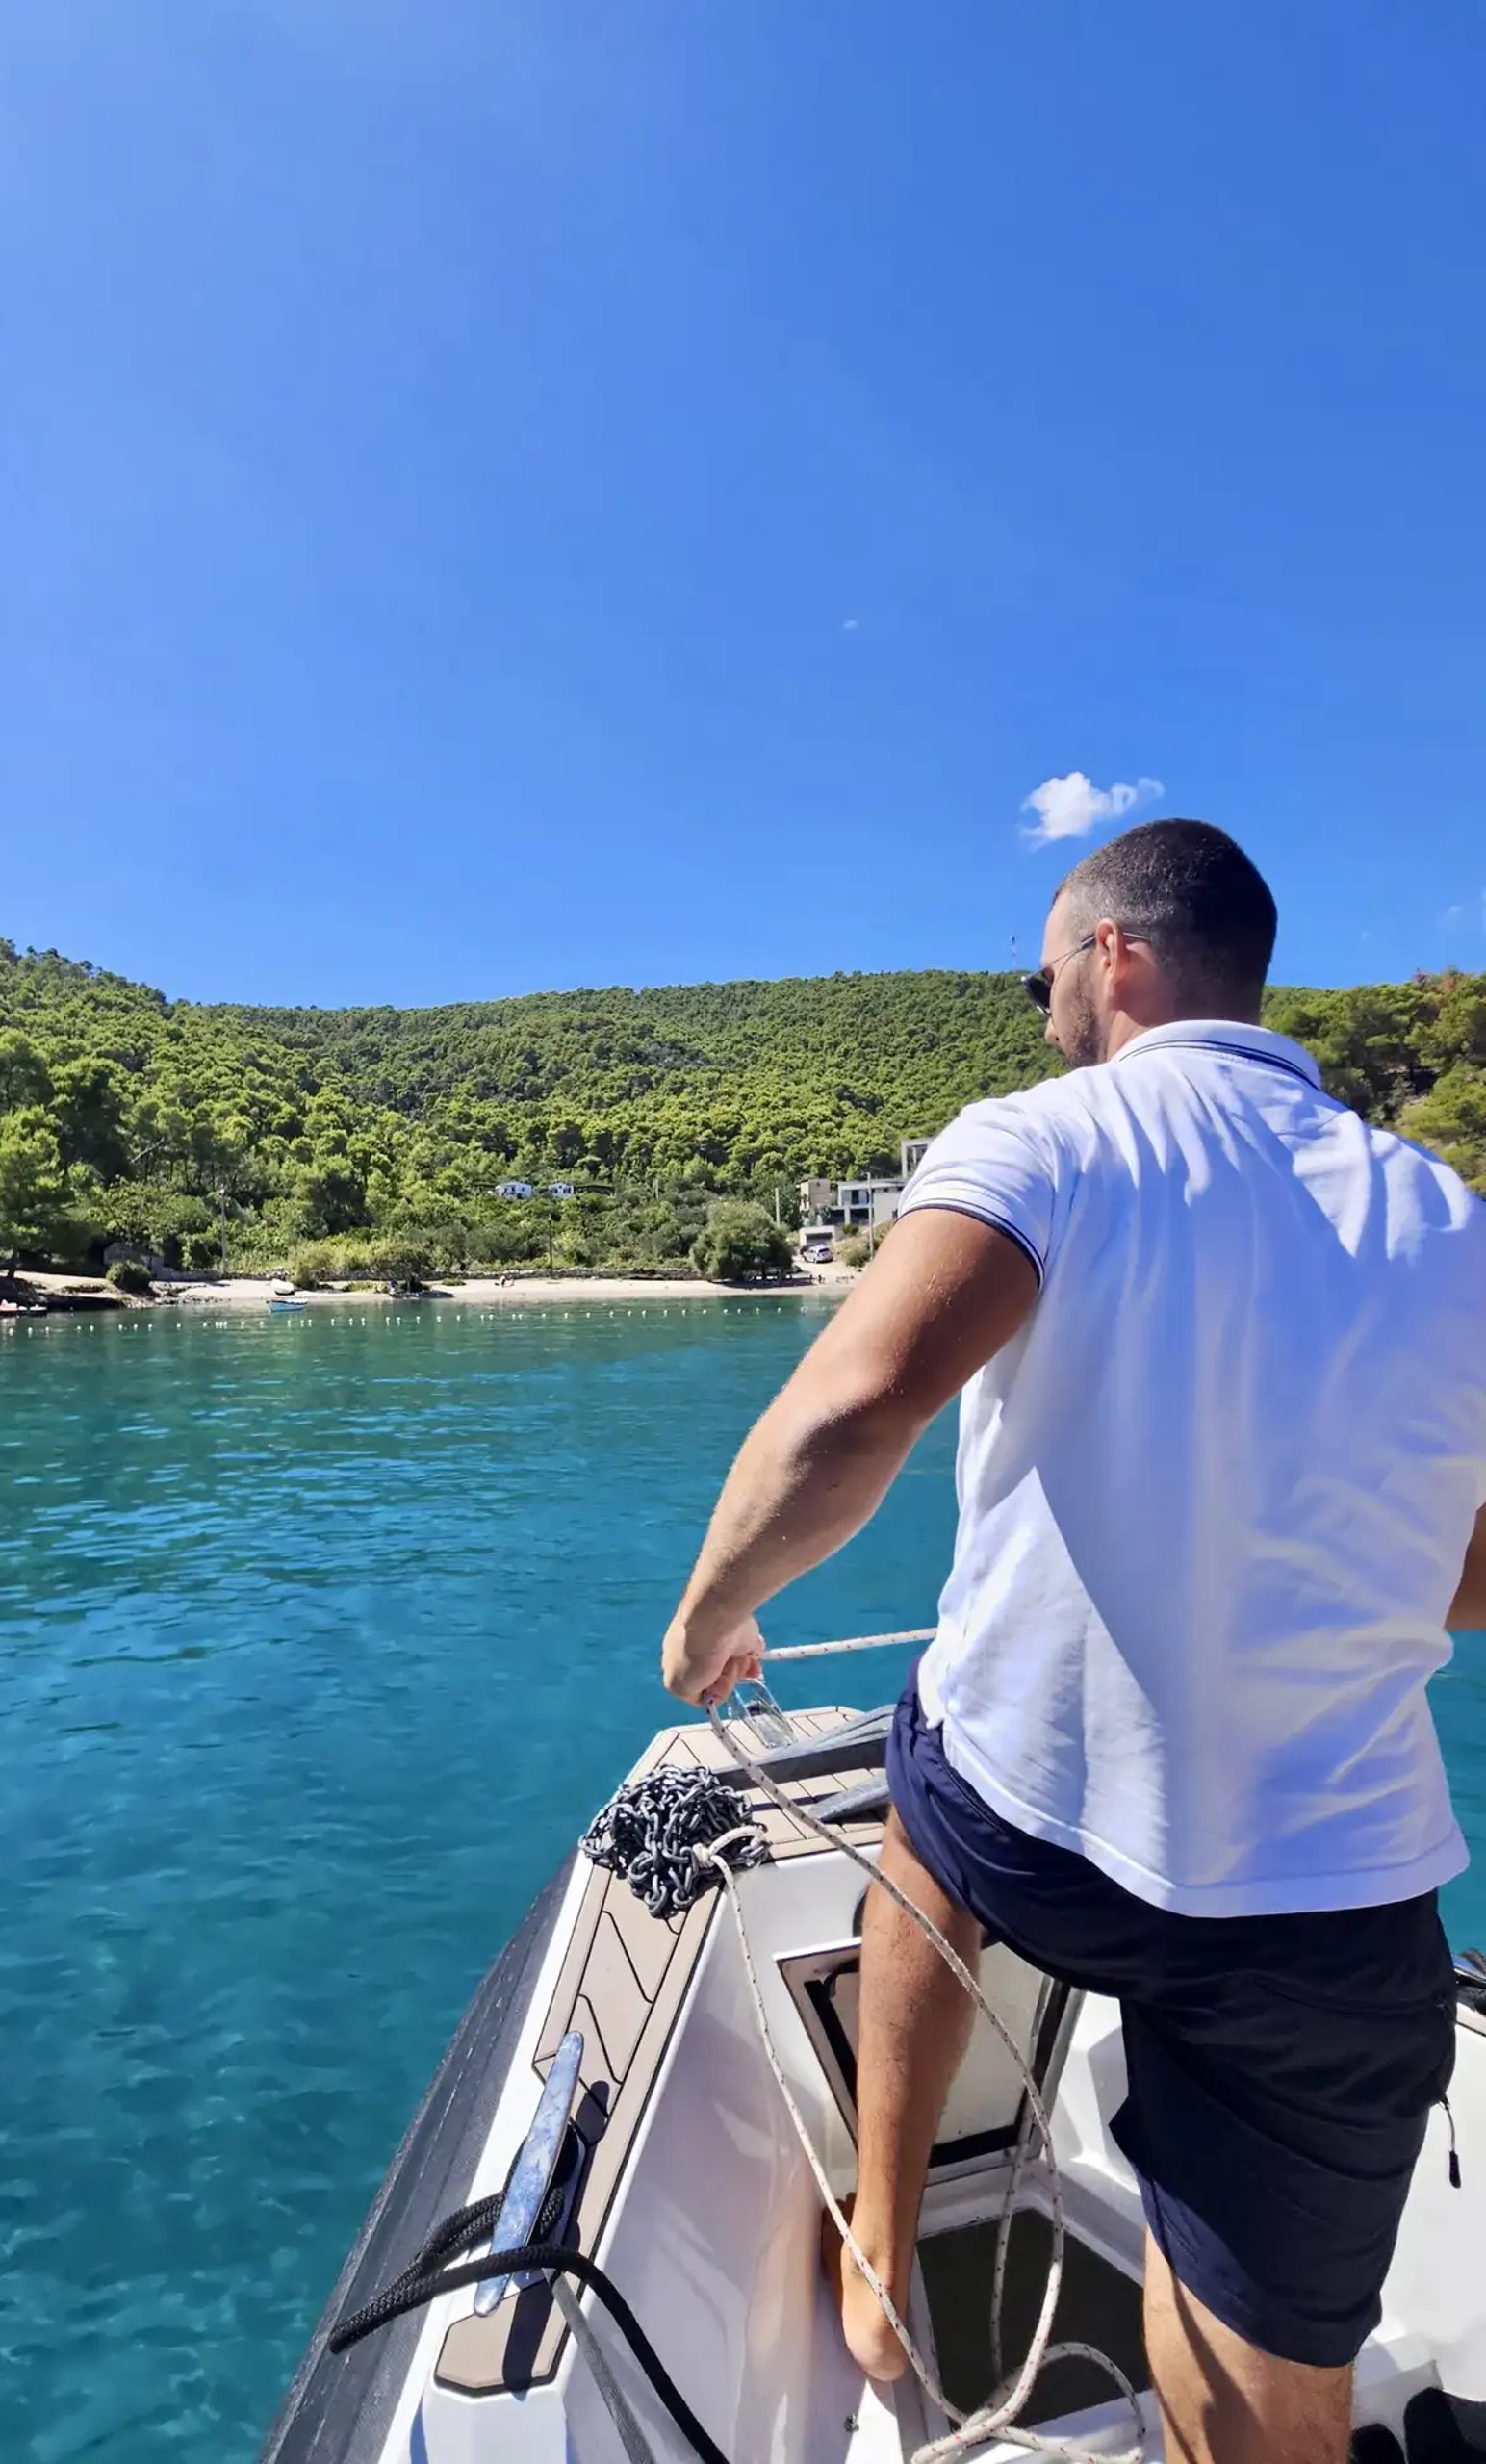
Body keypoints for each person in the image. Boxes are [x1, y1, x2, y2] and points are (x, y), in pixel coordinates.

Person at [660, 819, 1486, 2464]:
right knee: (1273, 2394)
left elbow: (851, 1412)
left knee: (930, 1795)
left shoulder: (1047, 1136)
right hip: (1337, 1891)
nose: (1039, 1013)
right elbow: (1473, 1572)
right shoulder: (1450, 1218)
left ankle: (881, 2252)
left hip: (1043, 1838)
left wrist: (711, 1617)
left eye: (1041, 977)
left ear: (1116, 953)